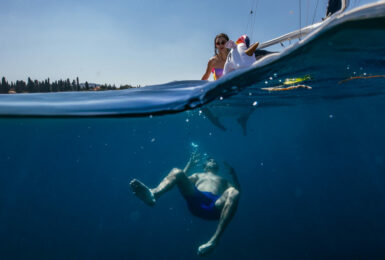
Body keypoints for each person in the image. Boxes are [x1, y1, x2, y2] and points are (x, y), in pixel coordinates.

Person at [129, 154, 240, 257]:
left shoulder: (224, 180)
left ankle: (214, 240)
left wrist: (234, 174)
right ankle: (153, 194)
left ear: (218, 167)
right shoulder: (198, 175)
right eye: (209, 160)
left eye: (214, 160)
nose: (212, 161)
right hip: (196, 200)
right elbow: (181, 179)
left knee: (234, 192)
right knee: (176, 171)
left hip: (215, 207)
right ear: (204, 166)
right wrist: (190, 164)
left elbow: (236, 193)